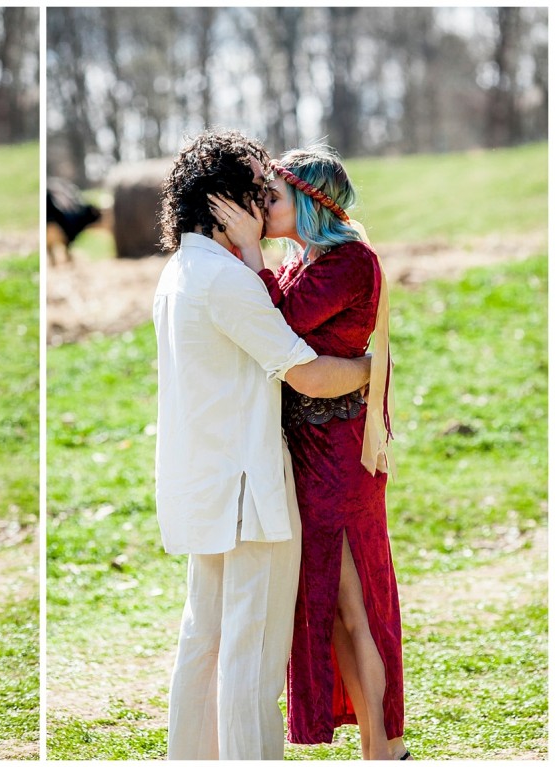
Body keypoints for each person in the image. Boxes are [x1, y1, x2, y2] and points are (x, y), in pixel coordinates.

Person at [153, 128, 374, 761]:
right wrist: (369, 369)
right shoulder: (226, 279)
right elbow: (306, 372)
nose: (268, 207)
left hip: (202, 482)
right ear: (228, 204)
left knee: (205, 641)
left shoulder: (181, 270)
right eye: (258, 194)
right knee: (249, 654)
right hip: (246, 494)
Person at [210, 144, 408, 759]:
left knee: (355, 603)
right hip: (309, 449)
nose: (262, 205)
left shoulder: (349, 260)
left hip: (341, 452)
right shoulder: (308, 258)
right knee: (335, 604)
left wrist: (248, 252)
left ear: (310, 200)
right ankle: (380, 747)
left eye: (273, 195)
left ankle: (386, 750)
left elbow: (281, 324)